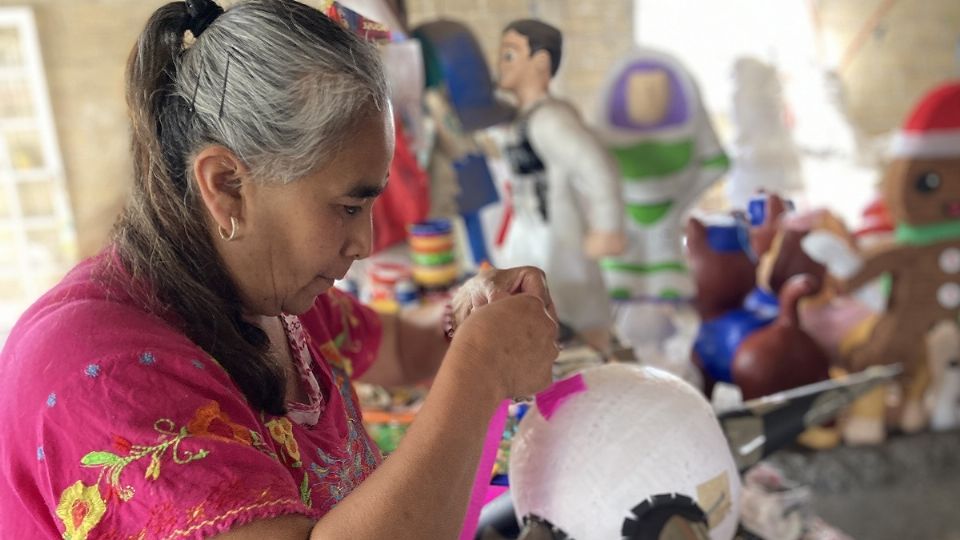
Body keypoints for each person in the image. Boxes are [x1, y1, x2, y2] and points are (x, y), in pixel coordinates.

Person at [0, 1, 559, 538]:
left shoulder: (256, 289)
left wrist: (473, 313)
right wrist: (479, 371)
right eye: (348, 206)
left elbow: (398, 346)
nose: (364, 242)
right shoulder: (101, 373)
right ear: (227, 186)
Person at [497, 19, 625, 351]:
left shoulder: (550, 120)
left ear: (540, 63)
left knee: (574, 322)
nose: (500, 65)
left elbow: (598, 167)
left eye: (510, 55)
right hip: (529, 235)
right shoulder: (524, 118)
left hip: (556, 240)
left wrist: (607, 227)